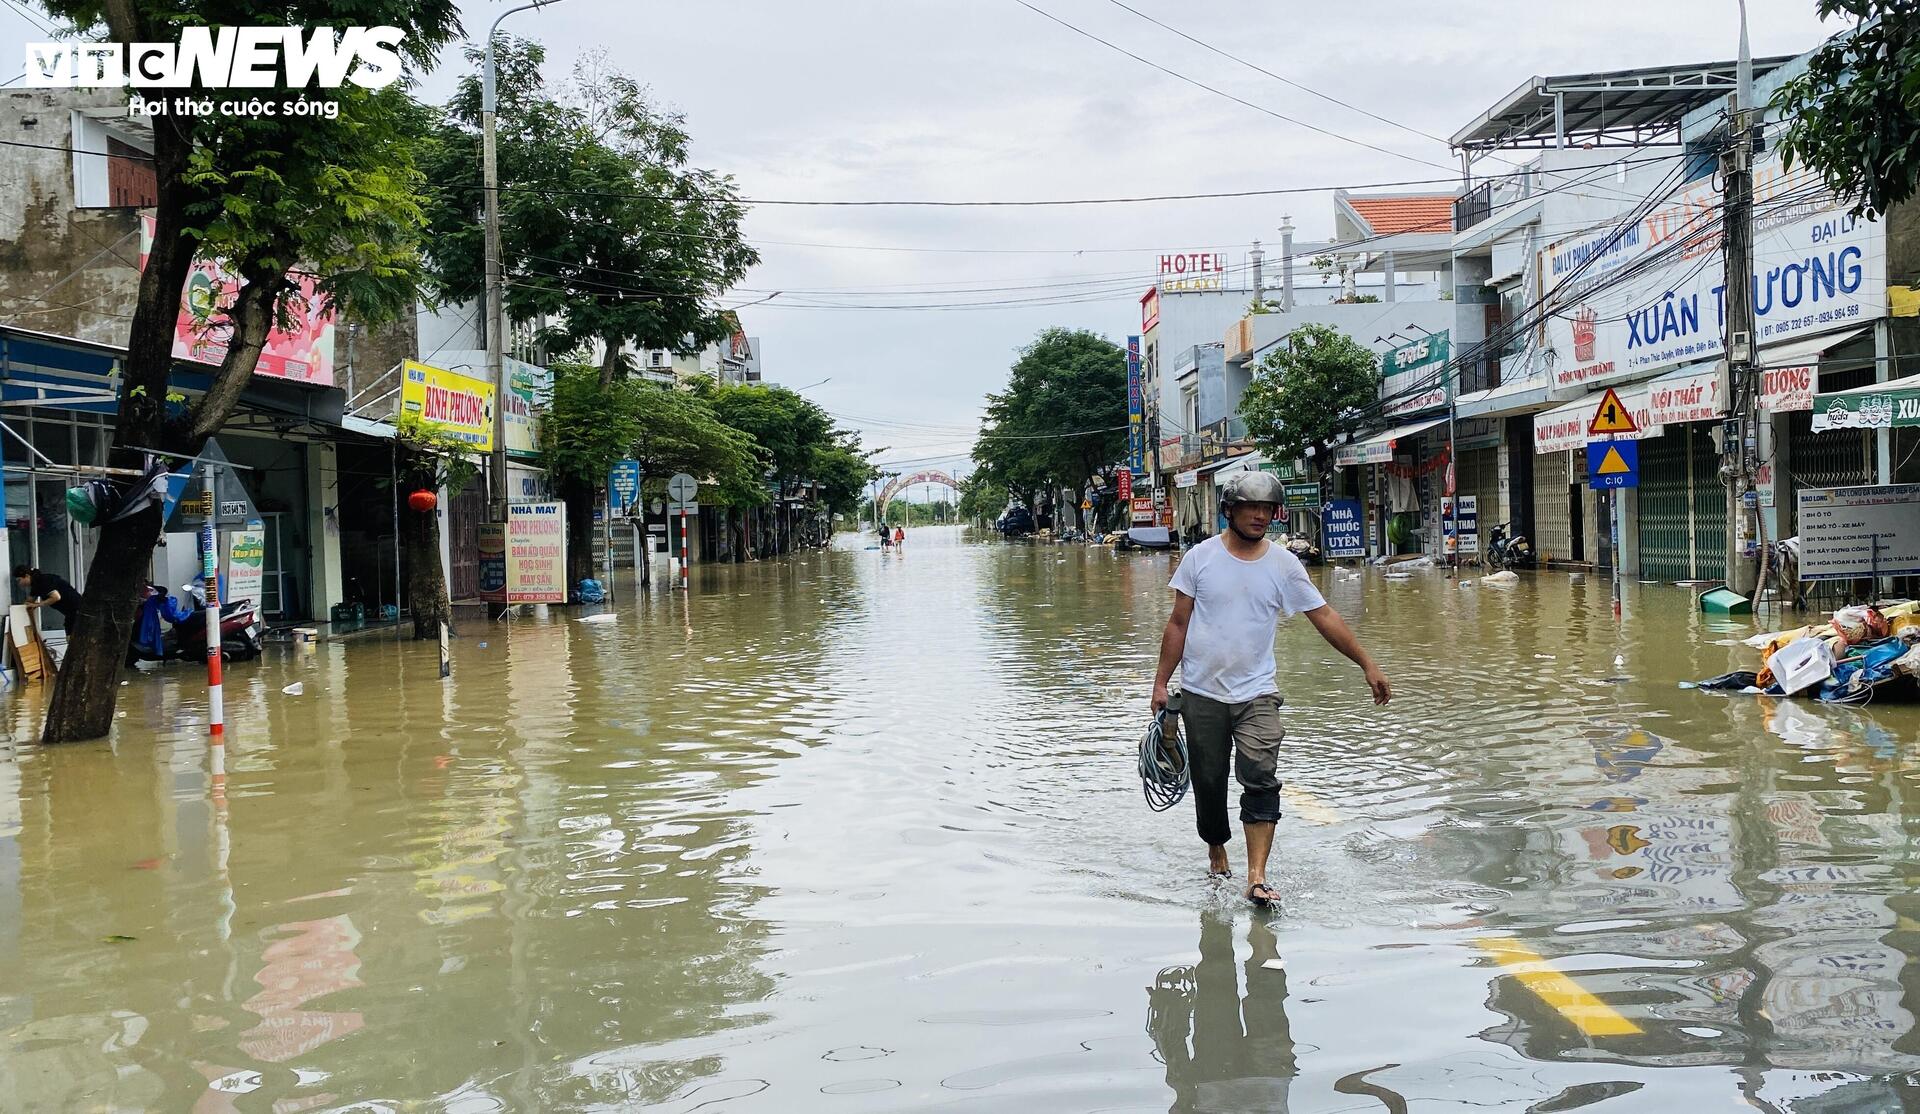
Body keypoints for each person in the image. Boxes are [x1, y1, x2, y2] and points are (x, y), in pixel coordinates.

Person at [1150, 471, 1390, 907]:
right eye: (1251, 507)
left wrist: (1367, 663)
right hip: (1202, 692)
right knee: (1208, 782)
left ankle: (1257, 876)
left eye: (1268, 509)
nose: (1261, 516)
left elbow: (1324, 616)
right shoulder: (1199, 559)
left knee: (1260, 775)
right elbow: (1178, 623)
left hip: (1257, 693)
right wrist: (1161, 683)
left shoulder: (1283, 564)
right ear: (1230, 510)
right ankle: (1217, 850)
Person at [14, 564, 82, 628]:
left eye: (19, 580)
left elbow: (56, 597)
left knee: (72, 634)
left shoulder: (44, 581)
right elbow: (28, 602)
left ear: (27, 576)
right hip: (71, 613)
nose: (19, 584)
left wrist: (37, 605)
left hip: (78, 610)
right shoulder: (36, 585)